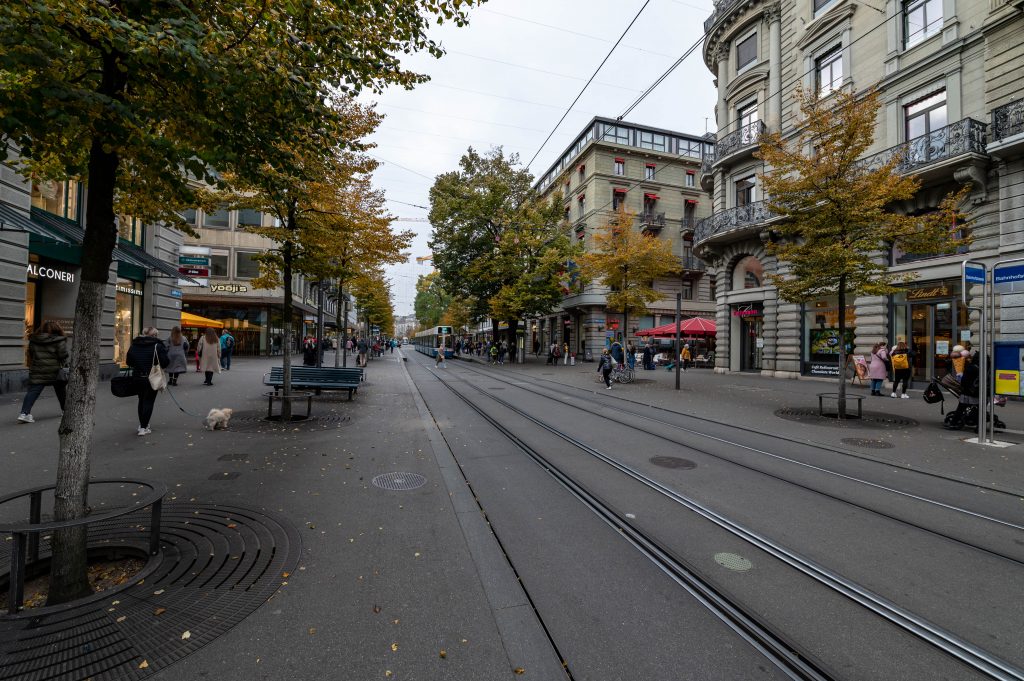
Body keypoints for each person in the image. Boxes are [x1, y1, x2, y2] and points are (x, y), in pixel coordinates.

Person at [17, 320, 69, 424]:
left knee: (32, 392)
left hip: (38, 370)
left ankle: (24, 414)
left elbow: (30, 354)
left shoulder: (34, 340)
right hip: (55, 371)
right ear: (57, 329)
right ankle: (66, 411)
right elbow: (63, 355)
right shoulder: (59, 340)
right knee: (61, 392)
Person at [125, 327, 170, 436]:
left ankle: (142, 425)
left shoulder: (134, 344)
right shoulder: (157, 346)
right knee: (149, 401)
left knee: (141, 400)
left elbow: (128, 361)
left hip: (137, 377)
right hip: (151, 377)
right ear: (154, 335)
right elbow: (165, 362)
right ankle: (143, 427)